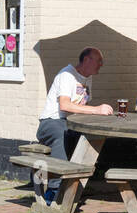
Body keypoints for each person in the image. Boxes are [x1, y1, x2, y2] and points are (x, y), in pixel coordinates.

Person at [36, 48, 113, 202]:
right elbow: (65, 105)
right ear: (86, 60)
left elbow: (82, 107)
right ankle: (54, 190)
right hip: (51, 122)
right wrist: (97, 110)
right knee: (62, 135)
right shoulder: (67, 75)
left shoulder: (87, 78)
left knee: (90, 138)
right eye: (98, 61)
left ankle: (75, 185)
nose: (101, 64)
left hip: (70, 123)